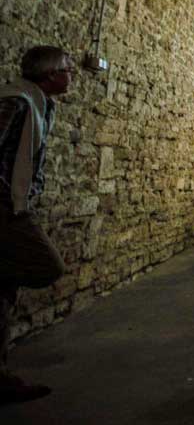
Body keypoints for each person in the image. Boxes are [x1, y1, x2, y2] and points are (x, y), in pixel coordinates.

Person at [0, 47, 71, 404]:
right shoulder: (16, 103)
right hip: (5, 209)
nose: (72, 74)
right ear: (50, 74)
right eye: (67, 69)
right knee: (47, 265)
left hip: (13, 205)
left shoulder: (39, 104)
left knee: (4, 289)